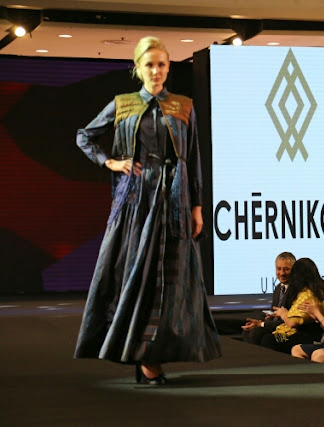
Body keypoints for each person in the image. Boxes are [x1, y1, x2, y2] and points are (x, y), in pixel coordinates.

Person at [74, 36, 220, 384]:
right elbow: (85, 136)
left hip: (175, 203)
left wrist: (198, 207)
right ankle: (142, 356)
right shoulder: (123, 104)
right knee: (135, 275)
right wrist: (110, 162)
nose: (156, 71)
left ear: (168, 68)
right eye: (149, 65)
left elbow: (193, 158)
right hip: (136, 202)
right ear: (137, 68)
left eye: (162, 65)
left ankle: (151, 354)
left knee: (171, 279)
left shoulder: (183, 106)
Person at [260, 258, 324, 354]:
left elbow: (292, 322)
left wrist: (283, 314)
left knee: (269, 340)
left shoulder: (307, 294)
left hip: (305, 335)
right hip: (314, 332)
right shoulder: (322, 287)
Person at [242, 252, 296, 344]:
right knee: (248, 330)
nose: (282, 273)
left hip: (288, 330)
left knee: (258, 334)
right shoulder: (278, 288)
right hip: (274, 325)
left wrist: (262, 324)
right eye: (279, 269)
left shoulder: (297, 290)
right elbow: (273, 313)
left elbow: (290, 322)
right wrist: (260, 322)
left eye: (286, 269)